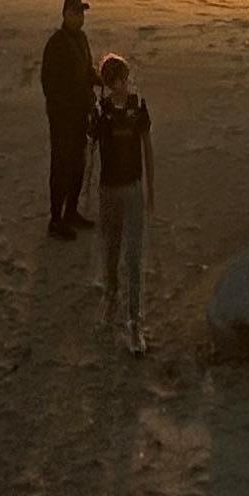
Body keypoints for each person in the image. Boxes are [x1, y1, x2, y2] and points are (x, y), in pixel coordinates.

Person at [88, 51, 154, 351]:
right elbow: (91, 150)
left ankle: (135, 322)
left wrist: (150, 190)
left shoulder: (137, 106)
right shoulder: (102, 111)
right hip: (108, 189)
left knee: (134, 257)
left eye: (125, 79)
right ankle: (111, 292)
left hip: (132, 188)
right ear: (108, 83)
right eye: (118, 81)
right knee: (112, 249)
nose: (123, 85)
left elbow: (147, 149)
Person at [39, 0, 95, 234]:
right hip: (63, 118)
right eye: (75, 13)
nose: (80, 17)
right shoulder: (56, 44)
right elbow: (48, 84)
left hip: (81, 114)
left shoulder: (81, 39)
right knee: (61, 166)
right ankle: (56, 219)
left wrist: (104, 80)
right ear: (65, 15)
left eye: (82, 13)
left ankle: (71, 211)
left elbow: (87, 70)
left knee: (78, 165)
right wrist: (62, 110)